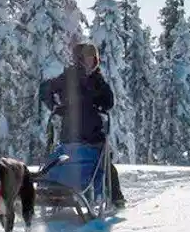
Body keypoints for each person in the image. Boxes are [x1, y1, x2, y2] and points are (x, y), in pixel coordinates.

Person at [38, 42, 126, 209]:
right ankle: (113, 197)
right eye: (87, 58)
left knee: (102, 162)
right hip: (77, 134)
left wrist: (97, 101)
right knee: (91, 161)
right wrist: (56, 107)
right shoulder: (70, 77)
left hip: (88, 133)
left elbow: (109, 102)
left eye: (93, 59)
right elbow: (45, 90)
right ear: (79, 59)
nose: (90, 62)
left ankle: (114, 197)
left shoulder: (96, 79)